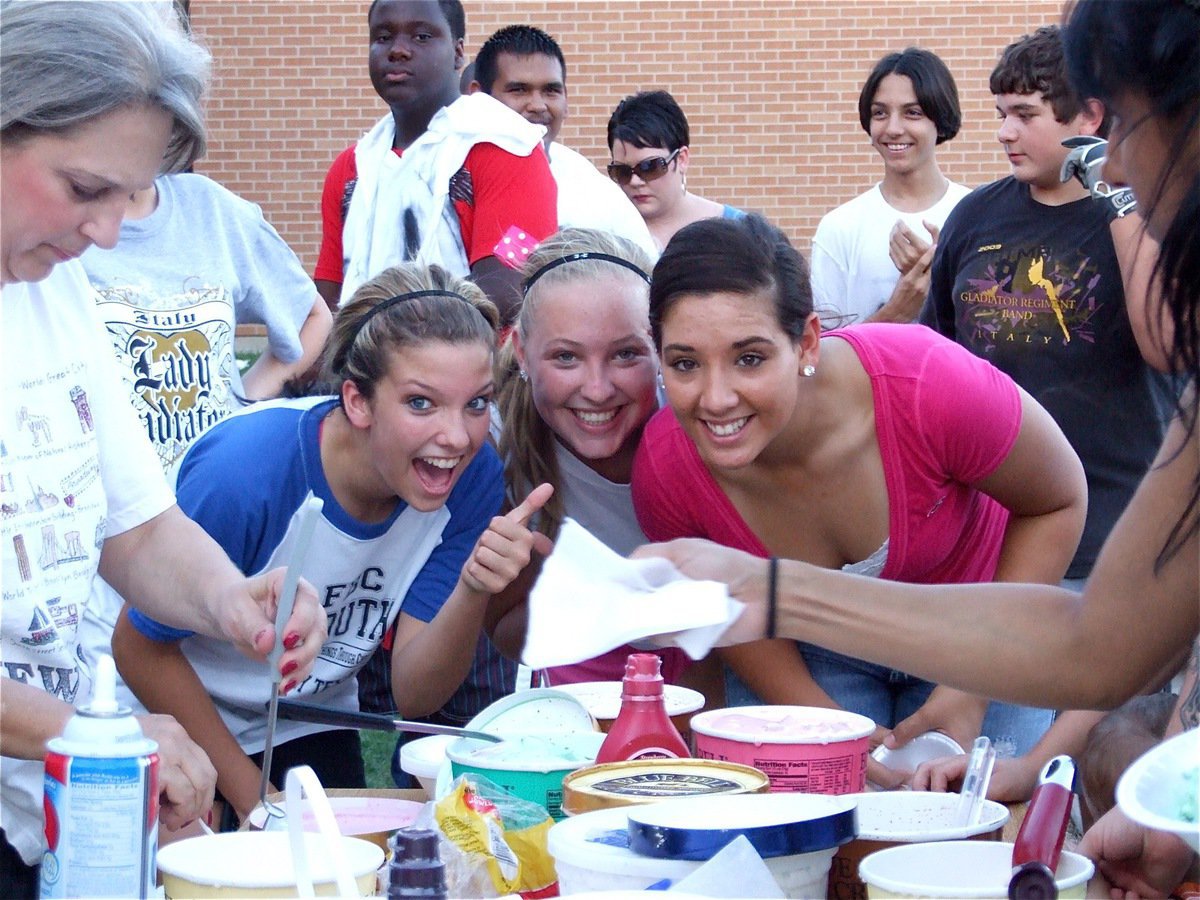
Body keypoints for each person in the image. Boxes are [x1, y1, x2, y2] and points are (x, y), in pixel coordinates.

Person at [633, 0, 1200, 890]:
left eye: (1119, 126)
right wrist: (1168, 802)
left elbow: (1099, 626)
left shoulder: (922, 383)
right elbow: (1115, 645)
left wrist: (777, 593)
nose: (1113, 167)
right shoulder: (670, 460)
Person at [0, 3, 324, 895]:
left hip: (50, 815)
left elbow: (136, 529)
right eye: (83, 188)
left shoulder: (51, 286)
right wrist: (88, 732)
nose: (107, 233)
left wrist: (234, 599)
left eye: (127, 195)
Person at [631, 212, 1087, 785]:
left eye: (749, 358)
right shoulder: (667, 467)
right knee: (820, 813)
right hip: (809, 651)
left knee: (977, 825)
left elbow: (1057, 500)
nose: (716, 398)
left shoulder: (926, 385)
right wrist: (826, 726)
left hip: (974, 629)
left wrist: (974, 687)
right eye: (685, 364)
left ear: (807, 341)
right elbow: (725, 610)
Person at [112, 262, 552, 826]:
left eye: (476, 403)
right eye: (421, 402)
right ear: (357, 401)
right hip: (178, 713)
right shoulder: (248, 472)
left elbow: (414, 694)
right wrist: (260, 805)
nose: (458, 435)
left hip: (309, 716)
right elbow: (139, 647)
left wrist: (473, 589)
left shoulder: (472, 478)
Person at [913, 23, 1175, 807]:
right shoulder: (976, 217)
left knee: (1100, 786)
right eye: (999, 111)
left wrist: (1118, 197)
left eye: (1025, 112)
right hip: (996, 545)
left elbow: (1163, 338)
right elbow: (936, 363)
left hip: (1111, 542)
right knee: (996, 783)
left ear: (1089, 117)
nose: (1003, 132)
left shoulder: (1140, 218)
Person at [483, 227, 699, 691]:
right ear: (521, 352)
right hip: (586, 695)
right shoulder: (502, 453)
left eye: (625, 354)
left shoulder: (700, 429)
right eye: (565, 357)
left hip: (718, 682)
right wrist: (592, 600)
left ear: (660, 348)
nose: (597, 389)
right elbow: (506, 634)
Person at [313, 0, 558, 324]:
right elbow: (327, 299)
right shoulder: (352, 168)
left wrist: (391, 345)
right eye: (383, 37)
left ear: (458, 53)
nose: (398, 50)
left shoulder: (505, 146)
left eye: (422, 37)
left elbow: (507, 287)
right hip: (359, 368)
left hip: (477, 367)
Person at [468, 26, 658, 260]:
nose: (538, 105)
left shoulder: (598, 197)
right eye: (518, 90)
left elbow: (646, 281)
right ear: (478, 97)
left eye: (551, 91)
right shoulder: (440, 176)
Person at [809, 48, 970, 324]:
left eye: (913, 113)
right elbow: (822, 355)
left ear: (940, 120)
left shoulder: (973, 216)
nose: (893, 128)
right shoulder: (840, 227)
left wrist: (939, 284)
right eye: (880, 113)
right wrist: (897, 311)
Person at [606, 90, 745, 252]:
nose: (635, 181)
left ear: (682, 159)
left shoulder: (739, 232)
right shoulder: (605, 236)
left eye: (649, 167)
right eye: (622, 171)